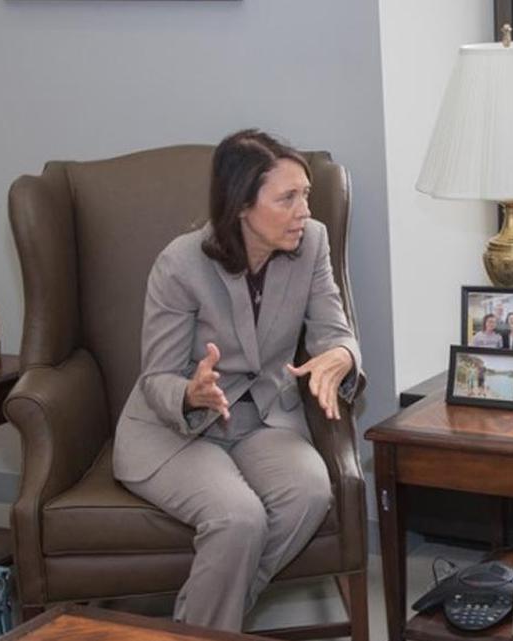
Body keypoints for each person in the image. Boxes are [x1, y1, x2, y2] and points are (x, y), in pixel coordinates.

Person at [112, 129, 365, 632]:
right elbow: (156, 376)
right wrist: (191, 392)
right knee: (238, 518)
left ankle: (197, 626)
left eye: (306, 195)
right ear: (242, 206)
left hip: (261, 419)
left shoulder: (311, 243)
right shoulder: (179, 264)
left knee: (309, 493)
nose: (304, 212)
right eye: (287, 198)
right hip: (176, 430)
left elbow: (336, 331)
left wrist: (340, 355)